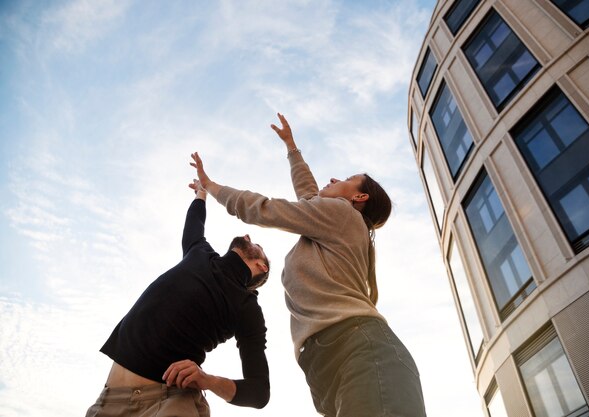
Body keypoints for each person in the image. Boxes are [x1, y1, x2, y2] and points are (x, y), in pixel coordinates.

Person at [191, 113, 427, 417]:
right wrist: (291, 147)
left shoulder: (342, 215)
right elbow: (310, 195)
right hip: (330, 361)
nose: (333, 179)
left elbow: (265, 209)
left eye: (344, 180)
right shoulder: (333, 224)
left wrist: (211, 186)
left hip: (359, 350)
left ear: (359, 196)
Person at [85, 174, 271, 417]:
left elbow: (259, 392)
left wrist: (208, 381)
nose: (248, 236)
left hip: (169, 403)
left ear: (262, 266)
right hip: (109, 401)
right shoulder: (200, 252)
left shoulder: (247, 307)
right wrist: (201, 193)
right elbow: (195, 222)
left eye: (258, 245)